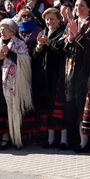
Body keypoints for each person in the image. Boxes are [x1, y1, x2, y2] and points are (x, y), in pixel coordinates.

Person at [50, 0, 90, 150]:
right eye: (76, 5)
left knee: (82, 104)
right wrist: (70, 38)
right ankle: (72, 139)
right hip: (69, 68)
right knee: (70, 104)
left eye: (82, 5)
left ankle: (85, 142)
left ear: (89, 7)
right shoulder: (71, 23)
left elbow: (89, 46)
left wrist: (75, 36)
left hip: (84, 68)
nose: (78, 8)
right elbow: (62, 46)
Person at [0, 18, 34, 150]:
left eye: (5, 29)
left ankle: (16, 137)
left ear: (12, 31)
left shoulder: (20, 44)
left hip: (15, 84)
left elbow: (26, 61)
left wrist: (9, 53)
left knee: (14, 108)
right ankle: (5, 138)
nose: (2, 31)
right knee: (1, 109)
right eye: (0, 28)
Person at [33, 8, 67, 148]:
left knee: (59, 107)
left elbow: (61, 49)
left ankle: (64, 139)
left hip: (57, 74)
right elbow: (35, 56)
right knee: (47, 107)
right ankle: (50, 138)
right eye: (47, 19)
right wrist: (39, 48)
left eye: (52, 19)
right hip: (44, 75)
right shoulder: (42, 32)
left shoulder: (63, 32)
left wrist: (48, 43)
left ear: (58, 20)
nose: (49, 22)